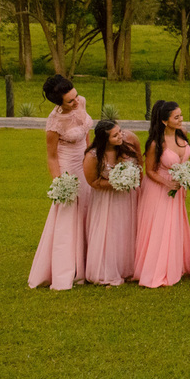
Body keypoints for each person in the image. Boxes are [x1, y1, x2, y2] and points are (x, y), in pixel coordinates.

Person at [29, 74, 94, 290]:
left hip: (85, 163)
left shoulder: (81, 101)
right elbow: (52, 156)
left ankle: (88, 264)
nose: (76, 102)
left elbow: (86, 135)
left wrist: (92, 159)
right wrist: (60, 184)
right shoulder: (54, 122)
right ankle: (67, 268)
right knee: (68, 218)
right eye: (70, 101)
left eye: (75, 96)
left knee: (89, 210)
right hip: (67, 169)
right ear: (59, 102)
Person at [133, 101, 190, 288]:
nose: (181, 119)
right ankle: (157, 269)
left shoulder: (182, 135)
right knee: (160, 227)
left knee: (174, 225)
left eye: (181, 115)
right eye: (176, 117)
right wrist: (168, 182)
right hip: (159, 189)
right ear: (165, 121)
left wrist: (187, 177)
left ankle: (174, 264)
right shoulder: (155, 143)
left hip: (177, 189)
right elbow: (150, 170)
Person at [82, 120, 141, 286]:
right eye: (115, 135)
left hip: (127, 198)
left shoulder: (126, 149)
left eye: (120, 132)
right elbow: (92, 181)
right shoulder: (93, 156)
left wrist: (130, 181)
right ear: (104, 139)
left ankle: (125, 268)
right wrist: (117, 183)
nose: (120, 136)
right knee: (109, 231)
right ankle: (105, 270)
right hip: (106, 199)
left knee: (125, 230)